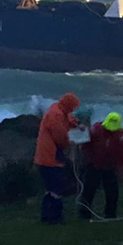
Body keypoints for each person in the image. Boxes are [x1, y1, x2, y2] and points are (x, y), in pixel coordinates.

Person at [33, 93, 81, 225]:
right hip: (50, 156)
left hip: (47, 156)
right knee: (56, 188)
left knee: (51, 187)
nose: (73, 110)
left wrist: (76, 124)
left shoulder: (57, 109)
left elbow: (69, 118)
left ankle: (46, 216)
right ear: (68, 105)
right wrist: (72, 141)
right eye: (73, 107)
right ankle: (55, 217)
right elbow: (60, 137)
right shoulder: (56, 115)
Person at [79, 112, 123, 220]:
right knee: (89, 189)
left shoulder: (122, 136)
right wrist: (85, 160)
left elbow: (122, 154)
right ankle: (84, 214)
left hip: (110, 167)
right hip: (94, 164)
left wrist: (121, 169)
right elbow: (86, 145)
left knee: (112, 192)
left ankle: (110, 214)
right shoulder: (95, 129)